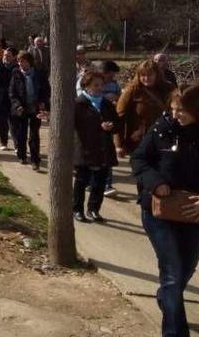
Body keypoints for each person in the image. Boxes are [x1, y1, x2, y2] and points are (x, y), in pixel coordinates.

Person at [131, 83, 199, 337]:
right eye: (172, 109)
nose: (175, 114)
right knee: (172, 272)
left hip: (193, 214)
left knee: (187, 268)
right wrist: (155, 183)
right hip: (159, 212)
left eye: (181, 110)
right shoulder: (162, 127)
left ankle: (166, 298)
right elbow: (139, 158)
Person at [73, 71, 120, 223]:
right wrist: (99, 126)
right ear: (86, 86)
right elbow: (74, 126)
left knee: (99, 183)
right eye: (96, 85)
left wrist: (111, 127)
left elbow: (118, 125)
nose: (100, 88)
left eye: (101, 85)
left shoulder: (107, 104)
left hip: (103, 150)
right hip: (85, 149)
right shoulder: (79, 104)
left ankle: (93, 209)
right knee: (81, 181)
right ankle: (77, 209)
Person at [116, 60, 175, 160]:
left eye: (150, 75)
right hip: (140, 141)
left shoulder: (168, 88)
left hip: (164, 139)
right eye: (143, 75)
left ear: (157, 74)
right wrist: (119, 144)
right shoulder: (132, 90)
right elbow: (119, 117)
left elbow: (176, 111)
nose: (146, 78)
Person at [9, 51, 50, 171]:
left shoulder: (39, 74)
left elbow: (46, 90)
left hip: (35, 108)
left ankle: (35, 160)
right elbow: (12, 93)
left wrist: (42, 101)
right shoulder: (16, 74)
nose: (21, 63)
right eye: (19, 61)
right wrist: (17, 106)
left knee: (34, 135)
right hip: (21, 108)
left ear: (29, 62)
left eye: (23, 61)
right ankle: (22, 155)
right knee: (21, 133)